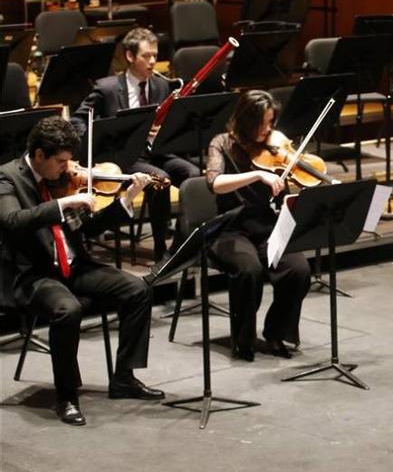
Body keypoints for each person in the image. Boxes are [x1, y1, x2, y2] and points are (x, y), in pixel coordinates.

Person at [0, 117, 165, 427]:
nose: (68, 168)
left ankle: (124, 378)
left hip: (74, 266)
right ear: (38, 155)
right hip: (34, 275)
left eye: (69, 161)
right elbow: (12, 221)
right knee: (68, 309)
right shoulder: (7, 178)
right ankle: (67, 396)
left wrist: (126, 200)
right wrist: (64, 204)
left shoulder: (61, 180)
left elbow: (86, 227)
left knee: (138, 289)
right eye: (61, 162)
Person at [71, 27, 200, 261]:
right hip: (125, 157)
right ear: (130, 56)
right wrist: (93, 143)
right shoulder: (107, 88)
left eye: (155, 55)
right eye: (146, 56)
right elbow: (78, 119)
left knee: (193, 174)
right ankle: (161, 249)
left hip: (156, 151)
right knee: (159, 179)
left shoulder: (161, 86)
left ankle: (183, 242)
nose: (153, 62)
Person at [205, 90, 311, 362]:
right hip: (231, 228)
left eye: (271, 122)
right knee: (248, 270)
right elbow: (214, 184)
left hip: (266, 226)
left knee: (297, 269)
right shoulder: (221, 143)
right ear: (247, 120)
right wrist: (257, 174)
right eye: (263, 123)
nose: (268, 129)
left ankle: (277, 332)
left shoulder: (274, 147)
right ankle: (244, 339)